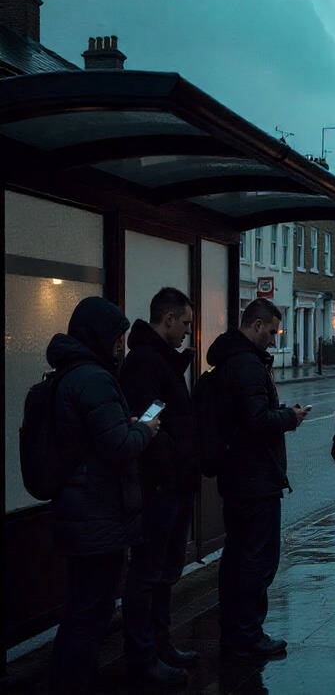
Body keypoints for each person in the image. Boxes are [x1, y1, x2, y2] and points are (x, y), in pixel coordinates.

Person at [47, 297, 159, 694]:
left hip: (79, 508)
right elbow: (118, 447)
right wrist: (144, 429)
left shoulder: (68, 374)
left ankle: (69, 680)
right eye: (117, 339)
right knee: (90, 614)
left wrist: (122, 426)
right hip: (98, 513)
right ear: (100, 337)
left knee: (80, 608)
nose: (121, 347)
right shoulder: (93, 378)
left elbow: (95, 437)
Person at [207, 298, 309, 657]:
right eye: (271, 332)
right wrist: (290, 419)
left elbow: (247, 414)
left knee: (236, 556)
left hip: (239, 475)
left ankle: (234, 630)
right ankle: (248, 634)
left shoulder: (232, 361)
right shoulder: (248, 366)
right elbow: (255, 421)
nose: (274, 339)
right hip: (254, 478)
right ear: (255, 325)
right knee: (257, 559)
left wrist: (279, 412)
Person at [120, 288, 198, 685]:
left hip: (175, 483)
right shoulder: (145, 362)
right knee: (148, 574)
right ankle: (143, 655)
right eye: (185, 322)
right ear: (168, 319)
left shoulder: (162, 360)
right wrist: (172, 456)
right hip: (160, 486)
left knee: (166, 572)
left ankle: (161, 646)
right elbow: (147, 416)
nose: (188, 330)